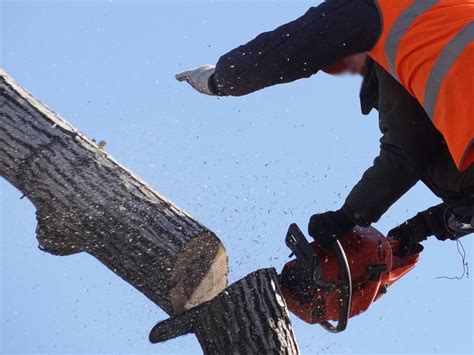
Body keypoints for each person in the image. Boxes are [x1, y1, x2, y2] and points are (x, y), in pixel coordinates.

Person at [176, 0, 474, 252]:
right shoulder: (439, 22)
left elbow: (290, 49)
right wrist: (421, 225)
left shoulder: (376, 8)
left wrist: (220, 80)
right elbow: (412, 147)